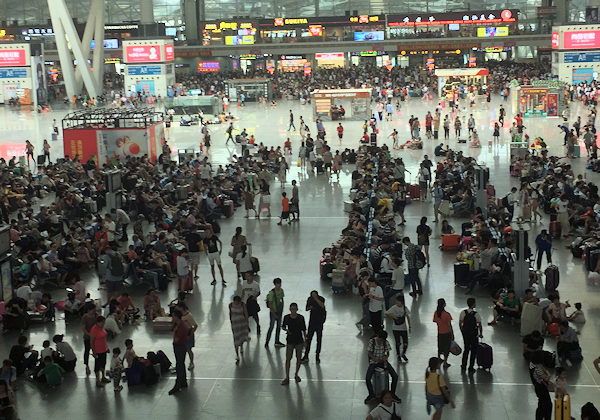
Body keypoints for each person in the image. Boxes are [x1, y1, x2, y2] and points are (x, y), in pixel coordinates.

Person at [364, 330, 400, 404]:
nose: (381, 341)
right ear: (377, 336)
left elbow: (387, 353)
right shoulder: (372, 342)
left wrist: (385, 357)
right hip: (374, 362)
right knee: (367, 378)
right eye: (380, 339)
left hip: (383, 362)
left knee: (395, 376)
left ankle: (392, 394)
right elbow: (369, 353)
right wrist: (375, 358)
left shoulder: (385, 342)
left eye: (382, 340)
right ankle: (371, 394)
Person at [280, 303, 307, 385]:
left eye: (294, 309)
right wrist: (286, 330)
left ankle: (296, 374)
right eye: (292, 309)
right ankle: (287, 377)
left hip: (299, 340)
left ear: (297, 309)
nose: (293, 310)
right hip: (290, 340)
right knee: (288, 358)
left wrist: (305, 340)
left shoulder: (301, 318)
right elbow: (283, 326)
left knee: (298, 358)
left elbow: (304, 329)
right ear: (290, 309)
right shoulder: (286, 317)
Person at [458, 298, 482, 373]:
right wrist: (480, 334)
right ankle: (471, 367)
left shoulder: (463, 312)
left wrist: (462, 331)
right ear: (473, 304)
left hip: (466, 334)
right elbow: (479, 325)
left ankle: (463, 365)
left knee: (466, 349)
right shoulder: (476, 314)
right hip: (474, 334)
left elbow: (460, 323)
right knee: (473, 350)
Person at [385, 294, 411, 363]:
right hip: (395, 328)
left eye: (398, 301)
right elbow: (386, 313)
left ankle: (403, 354)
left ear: (402, 302)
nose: (396, 302)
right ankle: (398, 355)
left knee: (405, 343)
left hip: (403, 328)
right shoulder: (394, 307)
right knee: (398, 343)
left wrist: (409, 326)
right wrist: (393, 315)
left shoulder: (405, 308)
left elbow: (408, 317)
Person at [169, 309, 190, 395]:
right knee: (181, 363)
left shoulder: (181, 327)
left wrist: (174, 334)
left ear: (176, 317)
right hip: (181, 346)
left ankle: (178, 384)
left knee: (179, 365)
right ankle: (183, 382)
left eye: (173, 316)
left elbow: (176, 340)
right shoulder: (180, 325)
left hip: (179, 347)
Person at [301, 290, 326, 364]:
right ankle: (306, 355)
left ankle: (317, 356)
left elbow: (322, 305)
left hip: (319, 322)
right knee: (309, 339)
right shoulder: (309, 299)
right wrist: (310, 307)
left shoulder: (321, 299)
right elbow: (306, 309)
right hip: (312, 322)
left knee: (319, 339)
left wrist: (316, 299)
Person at [529, 350, 552, 420]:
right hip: (542, 388)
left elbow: (543, 369)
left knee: (541, 405)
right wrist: (548, 375)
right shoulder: (537, 368)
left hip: (538, 388)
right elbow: (546, 378)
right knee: (547, 405)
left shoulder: (532, 364)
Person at [433, 299, 454, 369]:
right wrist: (452, 334)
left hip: (440, 333)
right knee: (446, 348)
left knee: (440, 347)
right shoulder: (447, 314)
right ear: (444, 304)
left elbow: (435, 321)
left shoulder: (436, 313)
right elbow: (449, 325)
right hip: (447, 333)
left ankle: (438, 360)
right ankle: (445, 363)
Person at [90, 316, 110, 388]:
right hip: (98, 351)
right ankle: (97, 380)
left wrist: (106, 347)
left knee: (103, 364)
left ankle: (103, 377)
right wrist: (94, 351)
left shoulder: (101, 328)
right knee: (97, 366)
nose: (103, 324)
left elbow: (104, 339)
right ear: (98, 322)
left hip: (103, 349)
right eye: (102, 322)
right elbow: (91, 342)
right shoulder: (94, 330)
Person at [177, 302, 198, 371]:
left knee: (188, 349)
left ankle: (191, 362)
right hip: (181, 334)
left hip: (188, 334)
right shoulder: (179, 315)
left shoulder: (189, 316)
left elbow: (195, 325)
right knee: (181, 350)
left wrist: (190, 335)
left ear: (182, 308)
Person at [265, 278, 285, 348]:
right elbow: (270, 304)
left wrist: (282, 309)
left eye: (280, 284)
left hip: (279, 311)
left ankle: (277, 341)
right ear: (275, 284)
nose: (279, 285)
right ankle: (267, 341)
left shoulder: (281, 291)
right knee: (271, 327)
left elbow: (282, 299)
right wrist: (273, 313)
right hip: (273, 312)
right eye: (277, 284)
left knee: (278, 327)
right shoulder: (272, 293)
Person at [229, 296, 249, 363]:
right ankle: (237, 354)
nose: (236, 303)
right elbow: (230, 313)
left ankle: (242, 346)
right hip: (235, 325)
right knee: (236, 338)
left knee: (242, 337)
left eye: (237, 302)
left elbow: (246, 314)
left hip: (242, 324)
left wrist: (247, 323)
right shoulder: (230, 305)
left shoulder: (243, 305)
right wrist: (231, 321)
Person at [81, 302, 97, 375]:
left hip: (96, 337)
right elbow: (84, 328)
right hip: (87, 337)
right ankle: (87, 365)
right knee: (87, 351)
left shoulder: (96, 316)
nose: (94, 311)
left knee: (96, 351)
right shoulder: (85, 317)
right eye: (93, 310)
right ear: (88, 310)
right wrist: (89, 335)